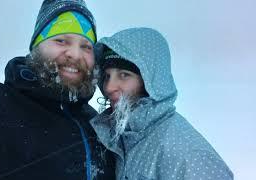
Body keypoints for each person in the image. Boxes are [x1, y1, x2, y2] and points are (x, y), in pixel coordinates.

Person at [0, 0, 115, 179]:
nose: (75, 54)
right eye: (61, 40)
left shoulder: (98, 127)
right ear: (36, 46)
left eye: (86, 46)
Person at [91, 27, 234, 179]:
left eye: (124, 75)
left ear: (151, 81)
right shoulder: (124, 138)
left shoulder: (189, 156)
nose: (108, 87)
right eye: (107, 76)